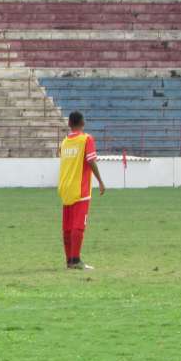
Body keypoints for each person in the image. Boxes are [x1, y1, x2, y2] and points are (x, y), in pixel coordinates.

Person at [58, 110, 105, 270]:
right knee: (79, 226)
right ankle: (76, 260)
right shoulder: (86, 139)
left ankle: (69, 261)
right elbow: (91, 161)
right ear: (83, 123)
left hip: (65, 188)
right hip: (81, 188)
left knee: (67, 227)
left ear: (69, 124)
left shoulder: (64, 142)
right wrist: (100, 180)